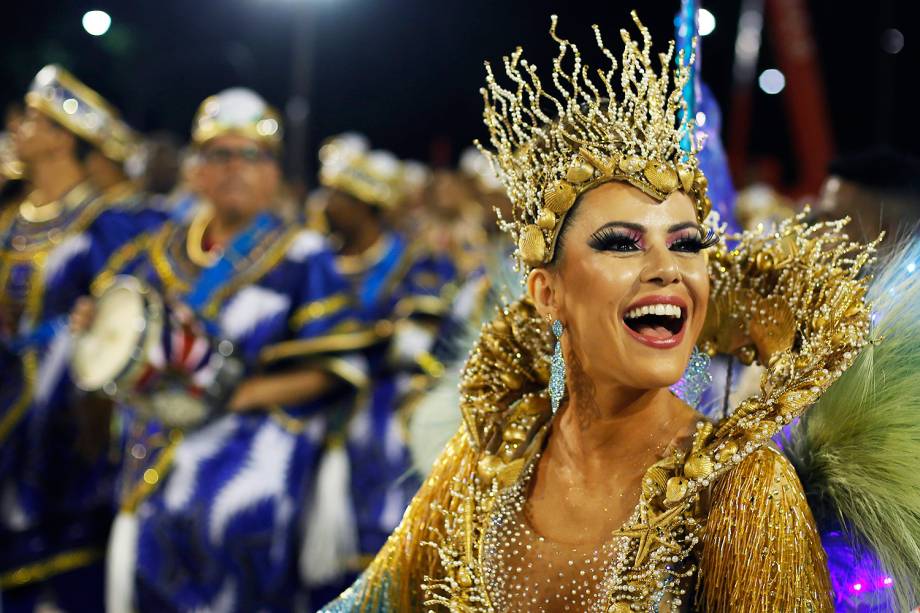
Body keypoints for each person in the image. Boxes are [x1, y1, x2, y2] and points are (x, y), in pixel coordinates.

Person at [323, 14, 919, 612]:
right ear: (546, 292)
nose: (669, 268)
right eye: (619, 242)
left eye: (686, 243)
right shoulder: (495, 456)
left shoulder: (741, 492)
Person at [72, 87, 375, 612]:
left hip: (251, 447)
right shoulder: (156, 250)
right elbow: (116, 327)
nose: (236, 168)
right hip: (156, 444)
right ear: (198, 170)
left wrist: (243, 396)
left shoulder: (302, 255)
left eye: (251, 157)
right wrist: (94, 324)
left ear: (273, 175)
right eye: (220, 155)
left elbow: (336, 367)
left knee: (236, 540)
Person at [0, 65, 162, 612]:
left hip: (72, 423)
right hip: (7, 414)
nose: (17, 127)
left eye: (31, 118)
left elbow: (129, 324)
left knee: (70, 585)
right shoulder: (9, 218)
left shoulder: (108, 223)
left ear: (61, 137)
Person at [314, 134, 457, 588]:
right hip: (314, 405)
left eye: (337, 196)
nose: (325, 204)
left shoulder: (419, 264)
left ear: (365, 205)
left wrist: (347, 346)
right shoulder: (314, 261)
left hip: (385, 416)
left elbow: (412, 347)